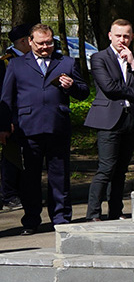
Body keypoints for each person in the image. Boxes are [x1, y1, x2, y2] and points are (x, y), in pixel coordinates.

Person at [0, 24, 88, 234]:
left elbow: (83, 92)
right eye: (40, 43)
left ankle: (61, 218)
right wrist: (4, 127)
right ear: (30, 41)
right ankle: (31, 221)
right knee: (30, 178)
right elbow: (6, 98)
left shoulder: (65, 62)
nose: (45, 47)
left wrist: (72, 86)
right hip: (28, 129)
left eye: (49, 43)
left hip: (57, 127)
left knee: (59, 177)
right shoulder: (16, 65)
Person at [85, 19, 134, 221]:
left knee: (121, 170)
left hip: (130, 119)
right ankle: (93, 213)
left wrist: (132, 63)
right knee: (106, 168)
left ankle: (115, 211)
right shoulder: (99, 58)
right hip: (108, 120)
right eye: (118, 36)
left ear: (131, 37)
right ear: (109, 36)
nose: (122, 40)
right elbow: (109, 87)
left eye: (126, 36)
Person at [0, 24, 33, 211]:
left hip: (29, 117)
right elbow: (4, 96)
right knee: (11, 157)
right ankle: (9, 195)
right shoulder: (5, 63)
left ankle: (21, 192)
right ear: (23, 41)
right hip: (12, 119)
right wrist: (5, 122)